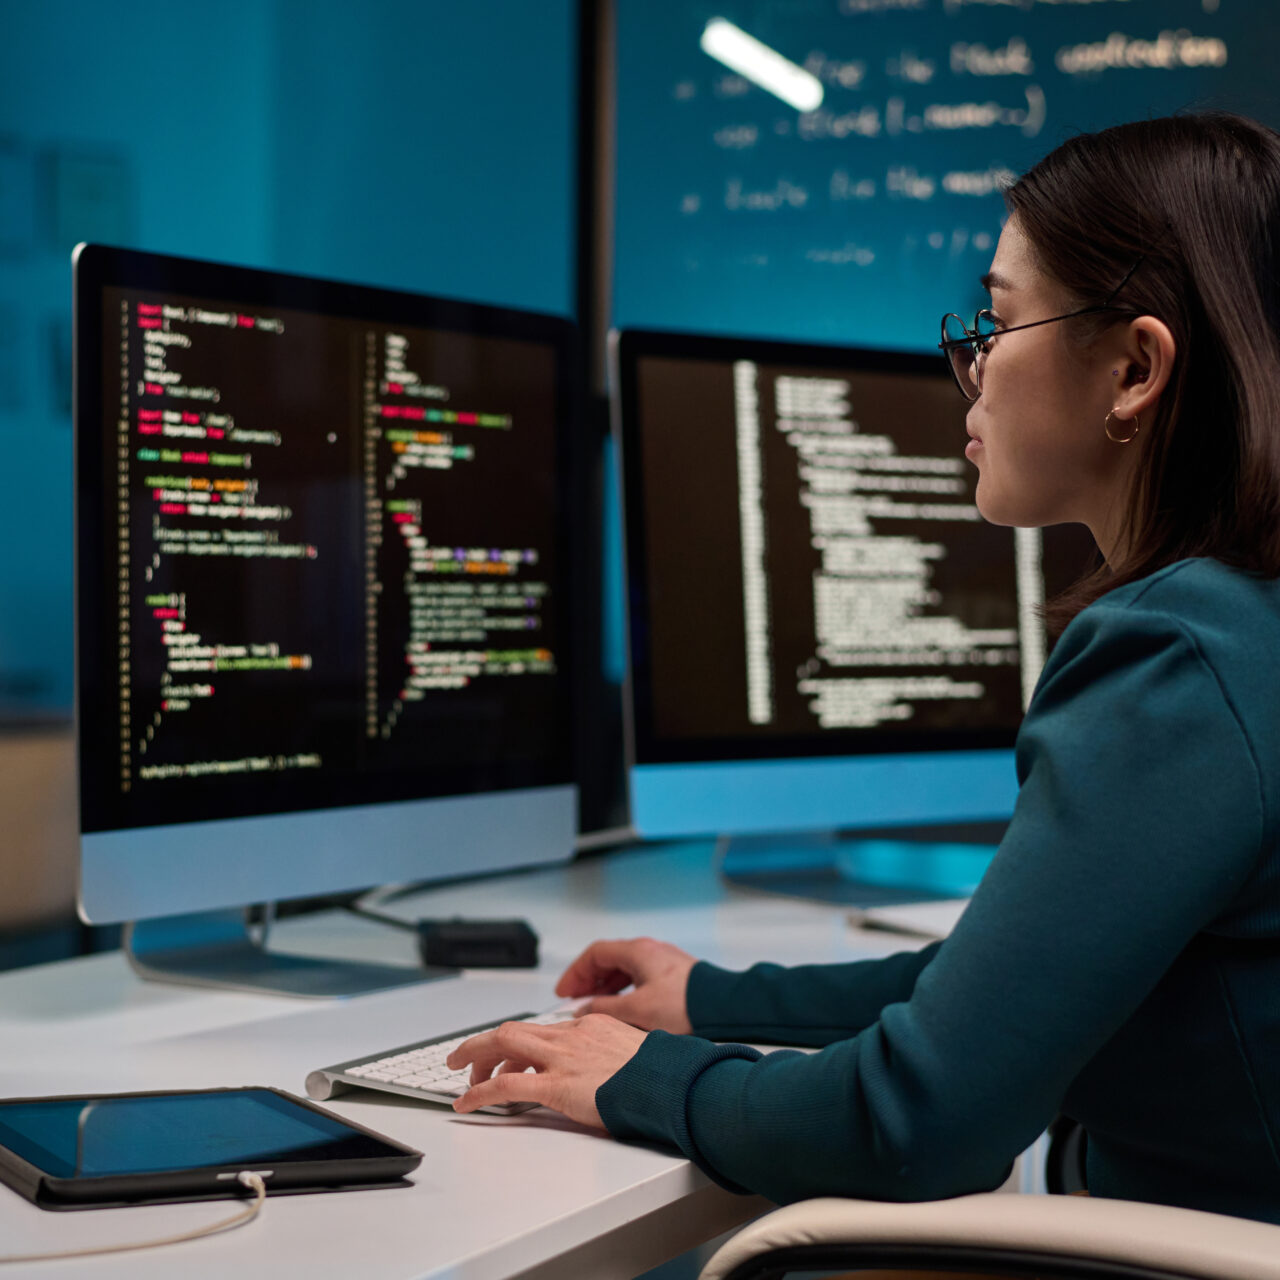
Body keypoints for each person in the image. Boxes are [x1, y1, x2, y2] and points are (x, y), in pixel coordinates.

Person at [447, 112, 1280, 1223]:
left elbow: (917, 1120)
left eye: (998, 318)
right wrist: (708, 997)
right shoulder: (1245, 621)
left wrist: (637, 1075)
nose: (969, 365)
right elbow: (1013, 991)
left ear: (1132, 368)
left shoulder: (1175, 649)